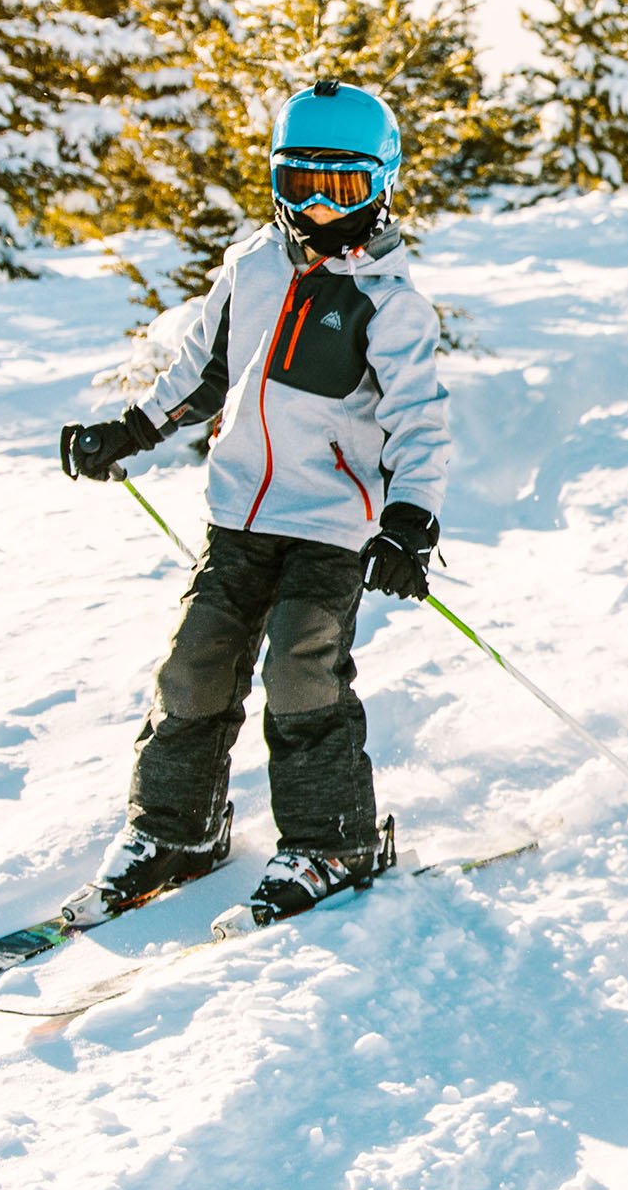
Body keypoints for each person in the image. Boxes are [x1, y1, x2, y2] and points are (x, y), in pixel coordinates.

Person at [53, 80, 450, 931]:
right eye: (300, 179)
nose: (315, 205)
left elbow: (420, 419)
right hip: (239, 512)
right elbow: (200, 374)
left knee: (302, 669)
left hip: (331, 524)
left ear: (381, 186)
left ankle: (332, 839)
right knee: (194, 666)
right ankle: (176, 829)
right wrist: (127, 432)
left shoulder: (390, 300)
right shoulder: (251, 267)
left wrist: (410, 522)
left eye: (339, 187)